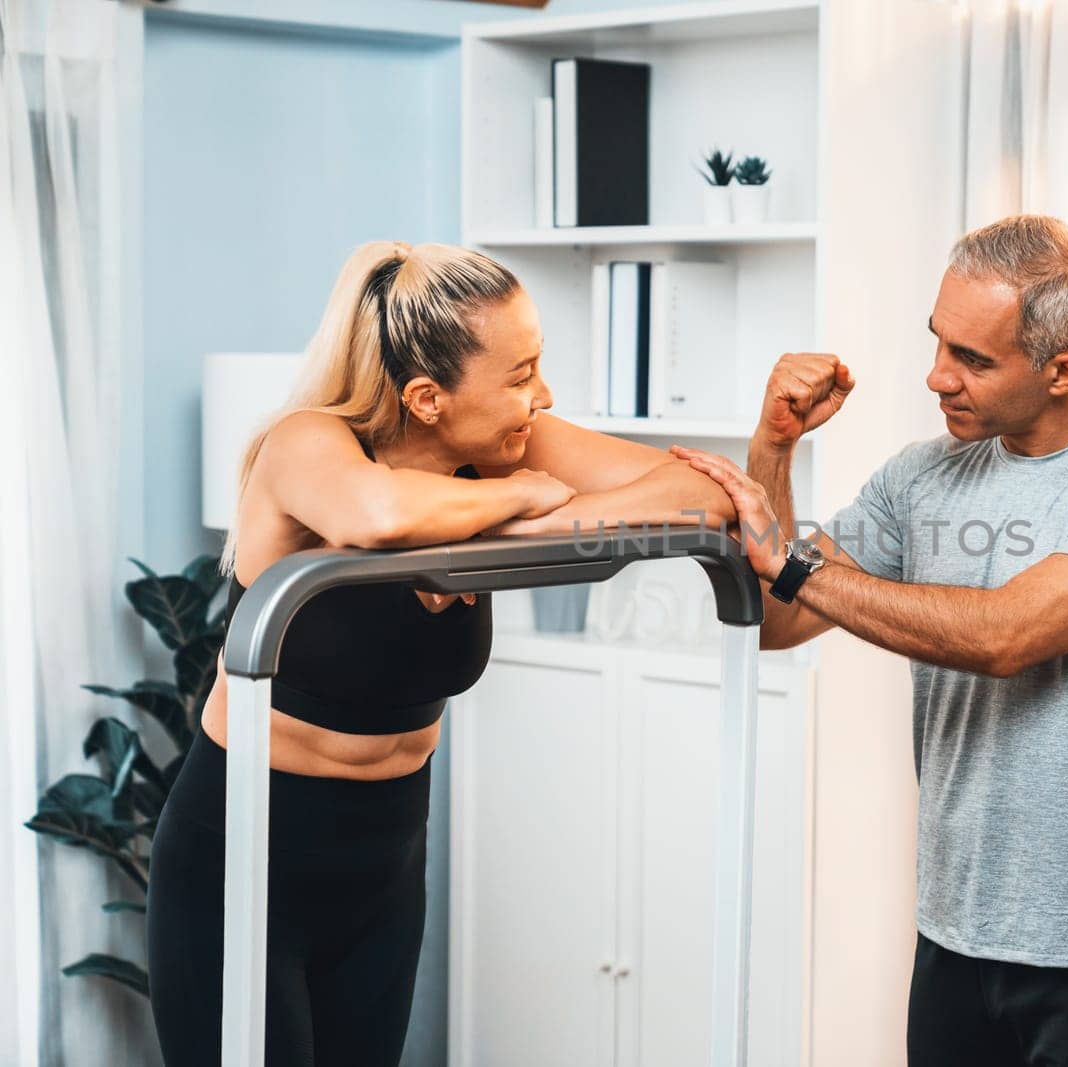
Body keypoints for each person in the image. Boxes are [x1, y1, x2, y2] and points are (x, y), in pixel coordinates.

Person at [144, 241, 735, 1066]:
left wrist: (511, 524)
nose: (545, 394)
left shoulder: (499, 443)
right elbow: (376, 516)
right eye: (521, 373)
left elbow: (703, 490)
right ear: (428, 398)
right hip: (245, 851)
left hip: (386, 857)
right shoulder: (307, 443)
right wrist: (518, 498)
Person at [671, 215, 1068, 1066]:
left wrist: (791, 564)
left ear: (1061, 371)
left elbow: (1007, 633)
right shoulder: (922, 474)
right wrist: (773, 447)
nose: (938, 377)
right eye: (939, 342)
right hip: (954, 940)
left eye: (973, 359)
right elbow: (779, 619)